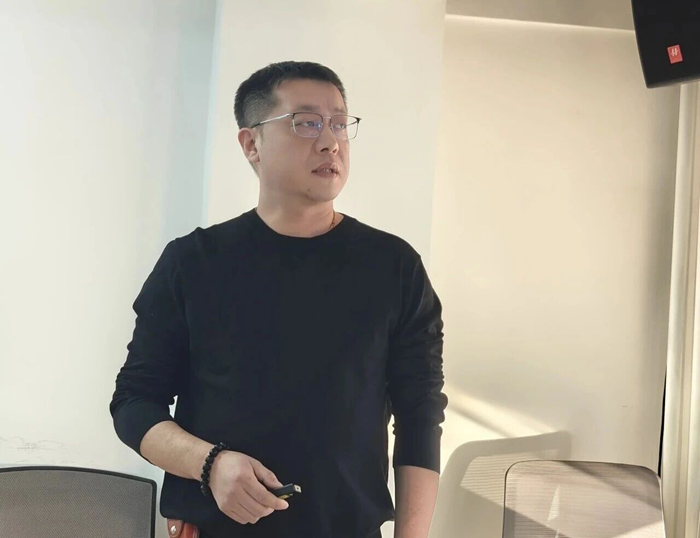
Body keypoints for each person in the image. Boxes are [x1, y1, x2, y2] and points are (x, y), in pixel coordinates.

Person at [110, 60, 448, 538]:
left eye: (339, 123)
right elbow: (134, 403)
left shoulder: (394, 267)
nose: (330, 141)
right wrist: (209, 464)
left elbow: (420, 414)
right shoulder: (193, 262)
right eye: (306, 122)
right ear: (252, 144)